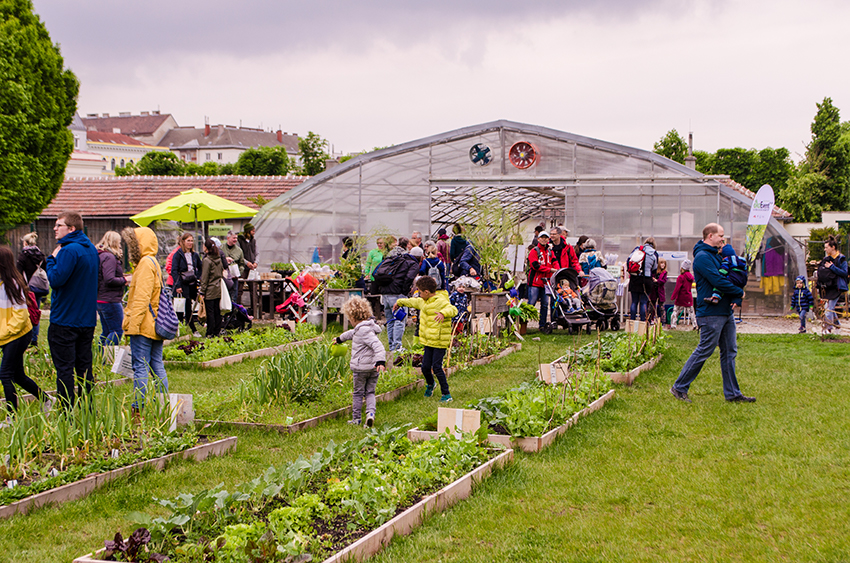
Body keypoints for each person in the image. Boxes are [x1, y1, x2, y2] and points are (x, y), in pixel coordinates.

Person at [671, 223, 753, 403]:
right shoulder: (702, 257)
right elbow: (717, 280)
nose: (723, 239)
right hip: (710, 312)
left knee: (729, 351)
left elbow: (729, 275)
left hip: (724, 311)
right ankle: (679, 387)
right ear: (710, 236)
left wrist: (735, 295)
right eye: (721, 236)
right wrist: (739, 293)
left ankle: (732, 394)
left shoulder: (717, 255)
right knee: (705, 350)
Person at [45, 211, 99, 408]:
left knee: (65, 369)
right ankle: (88, 409)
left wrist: (50, 260)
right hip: (86, 319)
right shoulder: (90, 249)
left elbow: (57, 279)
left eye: (58, 225)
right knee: (85, 368)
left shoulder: (68, 250)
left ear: (71, 228)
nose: (54, 228)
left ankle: (66, 412)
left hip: (65, 319)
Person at [0, 246, 53, 421]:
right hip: (8, 335)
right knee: (17, 375)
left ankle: (11, 418)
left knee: (5, 374)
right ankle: (47, 399)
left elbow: (21, 317)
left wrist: (3, 335)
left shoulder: (12, 285)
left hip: (18, 335)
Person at [121, 227, 169, 409]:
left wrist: (132, 327)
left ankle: (138, 407)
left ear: (137, 245)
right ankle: (163, 404)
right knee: (156, 365)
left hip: (143, 325)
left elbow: (141, 299)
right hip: (154, 323)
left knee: (140, 366)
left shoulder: (144, 265)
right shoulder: (153, 262)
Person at [394, 276, 457, 402]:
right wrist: (399, 302)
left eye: (420, 292)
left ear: (427, 292)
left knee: (437, 367)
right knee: (425, 367)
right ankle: (430, 384)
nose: (419, 294)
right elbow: (412, 302)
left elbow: (453, 309)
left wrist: (443, 313)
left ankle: (446, 394)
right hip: (429, 341)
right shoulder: (423, 301)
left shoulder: (441, 301)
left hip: (439, 341)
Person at [335, 296, 386, 427]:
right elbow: (351, 334)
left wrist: (381, 360)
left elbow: (378, 346)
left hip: (360, 368)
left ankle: (356, 419)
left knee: (358, 393)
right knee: (370, 392)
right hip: (373, 368)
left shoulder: (362, 331)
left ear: (352, 318)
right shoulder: (367, 328)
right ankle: (370, 414)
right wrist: (340, 339)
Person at [371, 237, 419, 353]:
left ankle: (392, 346)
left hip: (385, 295)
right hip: (398, 295)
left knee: (391, 320)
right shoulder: (411, 263)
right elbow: (408, 278)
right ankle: (397, 347)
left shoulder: (389, 260)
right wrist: (404, 291)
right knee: (399, 320)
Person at [95, 231, 128, 348]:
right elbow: (109, 279)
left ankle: (100, 358)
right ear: (114, 242)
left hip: (101, 299)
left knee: (107, 331)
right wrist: (125, 280)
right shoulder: (109, 257)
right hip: (110, 300)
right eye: (119, 242)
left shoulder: (101, 255)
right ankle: (107, 359)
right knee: (117, 331)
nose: (120, 245)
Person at [16, 232, 47, 347]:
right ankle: (35, 339)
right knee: (36, 312)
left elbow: (18, 272)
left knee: (26, 313)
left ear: (25, 242)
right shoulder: (41, 255)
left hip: (27, 288)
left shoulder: (23, 255)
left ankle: (26, 338)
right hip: (39, 288)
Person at [171, 233, 202, 337]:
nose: (190, 243)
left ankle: (193, 323)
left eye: (192, 241)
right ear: (183, 242)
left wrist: (198, 277)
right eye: (188, 241)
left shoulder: (195, 255)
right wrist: (178, 285)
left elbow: (200, 267)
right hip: (182, 283)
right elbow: (174, 270)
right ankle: (189, 327)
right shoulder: (178, 254)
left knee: (195, 302)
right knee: (184, 305)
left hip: (192, 282)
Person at [527, 230, 557, 331]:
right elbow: (535, 266)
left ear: (548, 239)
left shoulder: (549, 252)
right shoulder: (534, 251)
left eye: (546, 238)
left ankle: (542, 325)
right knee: (531, 303)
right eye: (542, 237)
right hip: (535, 282)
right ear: (538, 239)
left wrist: (557, 269)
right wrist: (550, 269)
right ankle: (523, 323)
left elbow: (555, 262)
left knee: (545, 304)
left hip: (546, 282)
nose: (544, 239)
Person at [817, 236, 848, 334]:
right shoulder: (826, 258)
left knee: (828, 309)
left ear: (833, 247)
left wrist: (832, 267)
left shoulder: (841, 259)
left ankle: (828, 329)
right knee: (830, 308)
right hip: (828, 287)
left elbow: (844, 273)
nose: (825, 249)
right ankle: (837, 327)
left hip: (837, 287)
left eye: (826, 247)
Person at [628, 237, 658, 322]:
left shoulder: (637, 249)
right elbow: (654, 268)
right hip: (646, 279)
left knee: (634, 302)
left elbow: (628, 261)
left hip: (635, 278)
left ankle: (632, 322)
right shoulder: (654, 253)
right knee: (644, 302)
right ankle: (642, 322)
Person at [199, 238, 224, 338]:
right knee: (217, 310)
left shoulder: (207, 260)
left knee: (210, 312)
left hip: (209, 289)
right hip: (218, 288)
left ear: (206, 248)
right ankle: (217, 330)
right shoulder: (218, 258)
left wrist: (202, 291)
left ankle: (210, 332)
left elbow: (205, 277)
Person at [671, 259, 696, 328]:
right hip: (688, 297)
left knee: (676, 311)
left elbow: (677, 288)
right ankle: (695, 325)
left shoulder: (680, 277)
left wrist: (673, 297)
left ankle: (673, 325)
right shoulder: (690, 277)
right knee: (691, 312)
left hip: (680, 297)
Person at [223, 231, 245, 305]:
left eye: (236, 238)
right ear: (228, 238)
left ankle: (233, 315)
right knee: (224, 297)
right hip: (224, 277)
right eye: (234, 238)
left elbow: (242, 263)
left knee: (234, 296)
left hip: (234, 278)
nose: (235, 239)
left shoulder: (239, 251)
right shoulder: (221, 249)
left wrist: (239, 272)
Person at [654, 257, 668, 324]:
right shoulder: (655, 272)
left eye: (664, 264)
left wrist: (657, 281)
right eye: (662, 263)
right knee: (651, 306)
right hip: (654, 291)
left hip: (660, 292)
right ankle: (650, 319)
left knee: (661, 307)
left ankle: (663, 321)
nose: (663, 265)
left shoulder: (664, 273)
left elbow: (664, 280)